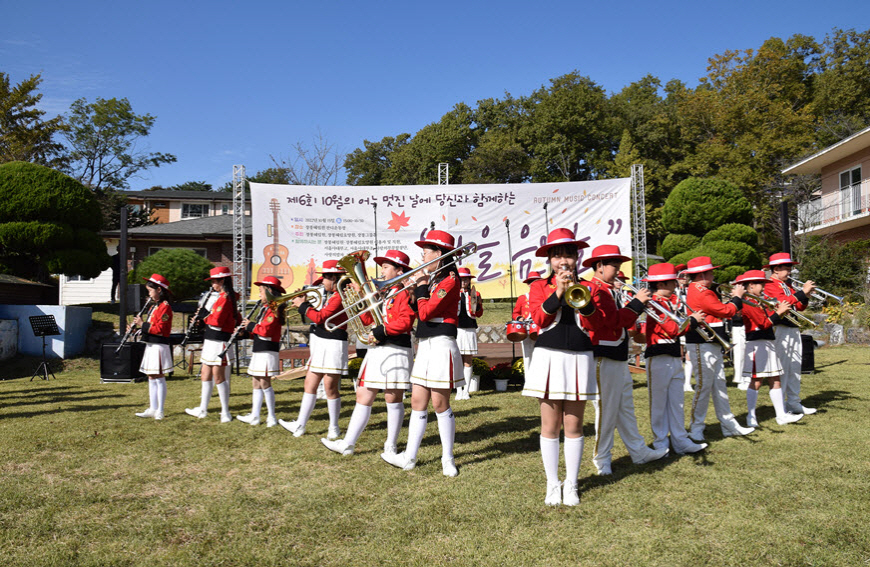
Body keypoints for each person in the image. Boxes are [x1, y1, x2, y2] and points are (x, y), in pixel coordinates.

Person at [521, 228, 604, 506]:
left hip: (580, 357)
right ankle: (552, 484)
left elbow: (596, 325)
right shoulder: (538, 287)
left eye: (568, 254)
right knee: (550, 424)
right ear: (550, 260)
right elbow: (538, 320)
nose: (563, 261)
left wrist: (584, 300)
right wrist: (557, 291)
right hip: (549, 356)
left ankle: (572, 484)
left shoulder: (591, 288)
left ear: (576, 257)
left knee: (574, 424)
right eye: (557, 256)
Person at [382, 229, 464, 477]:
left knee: (440, 403)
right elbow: (419, 310)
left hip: (441, 343)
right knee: (417, 401)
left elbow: (427, 312)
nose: (422, 256)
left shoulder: (450, 279)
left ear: (439, 254)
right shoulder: (432, 279)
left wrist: (418, 285)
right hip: (425, 343)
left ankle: (447, 458)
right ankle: (409, 457)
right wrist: (412, 289)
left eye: (426, 252)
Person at [582, 245, 668, 475]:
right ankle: (602, 458)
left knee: (625, 408)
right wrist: (637, 303)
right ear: (599, 266)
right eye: (614, 265)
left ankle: (638, 451)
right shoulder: (594, 289)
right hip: (603, 355)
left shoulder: (610, 290)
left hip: (617, 354)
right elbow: (612, 321)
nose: (618, 269)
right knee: (607, 410)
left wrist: (635, 304)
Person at [321, 250, 416, 457]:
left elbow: (405, 321)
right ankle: (348, 443)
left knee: (393, 398)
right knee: (363, 395)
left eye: (386, 267)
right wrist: (360, 301)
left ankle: (390, 445)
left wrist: (381, 331)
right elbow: (369, 321)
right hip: (379, 349)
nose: (381, 271)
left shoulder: (404, 291)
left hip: (396, 349)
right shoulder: (385, 292)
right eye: (381, 266)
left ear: (399, 270)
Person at [683, 256, 755, 440]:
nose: (714, 275)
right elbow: (726, 311)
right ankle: (696, 427)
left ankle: (728, 423)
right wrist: (737, 297)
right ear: (702, 274)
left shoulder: (701, 289)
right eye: (711, 272)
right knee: (704, 387)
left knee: (719, 385)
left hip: (711, 341)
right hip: (702, 343)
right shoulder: (702, 291)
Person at [640, 264, 708, 454]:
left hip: (673, 353)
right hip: (658, 354)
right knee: (659, 403)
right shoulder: (653, 302)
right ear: (662, 283)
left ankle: (680, 439)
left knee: (677, 402)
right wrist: (693, 321)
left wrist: (689, 320)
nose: (676, 284)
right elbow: (671, 329)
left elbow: (676, 329)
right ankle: (661, 441)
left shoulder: (670, 301)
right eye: (672, 281)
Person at [278, 260, 349, 439]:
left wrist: (303, 306)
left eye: (324, 277)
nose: (322, 282)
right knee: (309, 383)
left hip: (333, 343)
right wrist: (304, 305)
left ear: (334, 278)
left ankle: (334, 427)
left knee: (330, 387)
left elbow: (322, 317)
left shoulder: (341, 295)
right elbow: (318, 315)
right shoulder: (329, 295)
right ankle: (300, 425)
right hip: (321, 342)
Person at [736, 270, 803, 427]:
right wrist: (779, 313)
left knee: (775, 379)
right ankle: (751, 416)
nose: (764, 287)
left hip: (768, 342)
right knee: (756, 381)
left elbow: (768, 318)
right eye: (761, 284)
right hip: (756, 344)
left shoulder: (759, 300)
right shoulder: (747, 302)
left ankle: (781, 415)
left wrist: (778, 309)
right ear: (751, 286)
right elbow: (763, 323)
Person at [763, 252, 817, 416]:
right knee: (784, 367)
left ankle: (794, 402)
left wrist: (805, 296)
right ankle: (782, 406)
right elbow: (784, 302)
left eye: (790, 268)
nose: (790, 271)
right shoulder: (770, 285)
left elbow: (799, 307)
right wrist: (801, 293)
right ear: (776, 269)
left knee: (794, 366)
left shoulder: (788, 285)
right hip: (780, 329)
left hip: (792, 328)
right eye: (787, 268)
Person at [185, 267, 240, 422]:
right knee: (205, 374)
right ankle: (203, 408)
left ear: (223, 281)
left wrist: (203, 318)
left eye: (215, 281)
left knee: (219, 377)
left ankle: (225, 412)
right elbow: (213, 318)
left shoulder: (226, 298)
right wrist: (201, 320)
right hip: (210, 339)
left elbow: (217, 321)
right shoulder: (220, 297)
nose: (213, 285)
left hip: (219, 341)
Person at [236, 276, 286, 427]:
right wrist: (244, 333)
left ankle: (271, 416)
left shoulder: (274, 309)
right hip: (260, 348)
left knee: (265, 382)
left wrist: (250, 325)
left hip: (267, 350)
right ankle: (255, 415)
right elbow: (258, 331)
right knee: (256, 382)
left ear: (270, 292)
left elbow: (266, 330)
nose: (259, 295)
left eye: (261, 291)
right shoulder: (265, 309)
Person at [133, 274, 173, 420]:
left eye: (150, 290)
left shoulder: (165, 308)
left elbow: (159, 329)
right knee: (151, 376)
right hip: (151, 344)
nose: (148, 294)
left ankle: (160, 410)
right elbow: (148, 325)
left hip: (159, 345)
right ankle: (152, 407)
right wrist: (136, 328)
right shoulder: (154, 307)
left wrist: (142, 324)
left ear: (159, 290)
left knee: (159, 376)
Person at [455, 267, 483, 400]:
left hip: (470, 328)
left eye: (466, 279)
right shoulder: (452, 293)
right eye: (461, 279)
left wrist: (478, 306)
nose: (463, 281)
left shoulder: (475, 294)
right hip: (456, 328)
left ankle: (466, 391)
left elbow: (479, 313)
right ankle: (458, 390)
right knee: (456, 359)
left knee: (468, 359)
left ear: (469, 280)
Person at [512, 271, 542, 377]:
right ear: (528, 284)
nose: (533, 284)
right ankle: (528, 380)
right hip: (525, 327)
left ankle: (540, 379)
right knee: (527, 354)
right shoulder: (522, 298)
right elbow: (515, 313)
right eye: (531, 282)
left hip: (539, 327)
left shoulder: (544, 297)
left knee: (541, 353)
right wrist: (519, 317)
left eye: (536, 281)